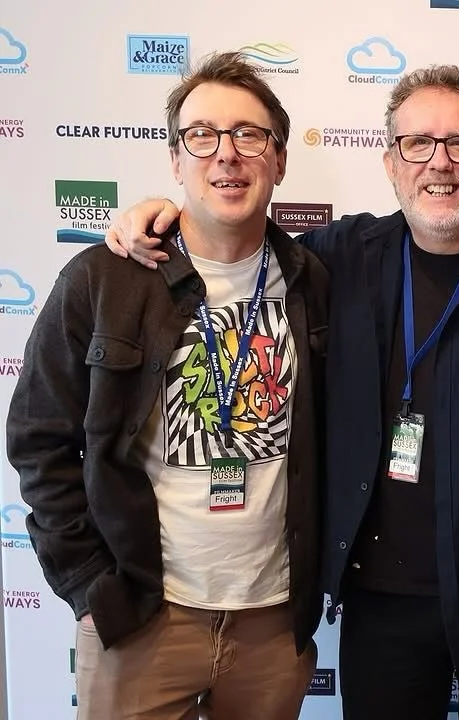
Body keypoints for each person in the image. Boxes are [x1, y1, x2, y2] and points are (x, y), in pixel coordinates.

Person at [105, 63, 459, 720]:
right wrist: (166, 216)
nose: (440, 162)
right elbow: (233, 237)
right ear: (390, 161)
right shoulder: (336, 259)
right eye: (416, 144)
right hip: (379, 607)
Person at [7, 52, 327, 720]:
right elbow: (40, 441)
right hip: (145, 615)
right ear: (176, 160)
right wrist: (91, 588)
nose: (226, 156)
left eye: (249, 135)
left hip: (272, 623)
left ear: (280, 159)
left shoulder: (315, 280)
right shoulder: (104, 279)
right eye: (202, 136)